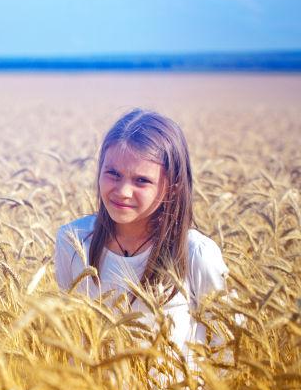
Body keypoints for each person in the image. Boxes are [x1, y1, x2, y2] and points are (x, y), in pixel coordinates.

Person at [54, 109, 228, 354]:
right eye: (113, 174)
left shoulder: (196, 254)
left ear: (173, 186)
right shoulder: (73, 240)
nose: (123, 191)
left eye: (142, 181)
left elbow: (228, 348)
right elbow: (67, 330)